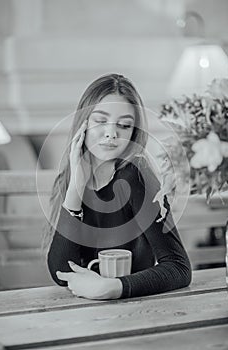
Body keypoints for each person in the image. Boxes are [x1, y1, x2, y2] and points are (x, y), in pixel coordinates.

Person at [43, 73, 192, 300]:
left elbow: (179, 267)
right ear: (83, 124)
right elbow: (61, 271)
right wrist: (76, 185)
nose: (111, 133)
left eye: (124, 125)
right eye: (100, 121)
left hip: (136, 308)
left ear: (133, 132)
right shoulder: (70, 178)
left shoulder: (137, 175)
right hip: (82, 314)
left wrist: (111, 287)